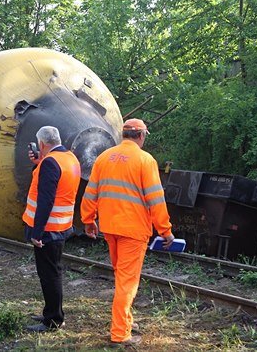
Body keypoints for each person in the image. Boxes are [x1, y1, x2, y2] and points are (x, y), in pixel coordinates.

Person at [80, 118, 174, 346]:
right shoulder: (145, 160)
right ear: (141, 136)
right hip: (133, 231)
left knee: (122, 279)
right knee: (126, 282)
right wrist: (165, 230)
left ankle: (125, 321)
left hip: (110, 228)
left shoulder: (104, 158)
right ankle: (120, 334)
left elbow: (90, 192)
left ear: (124, 135)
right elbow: (155, 198)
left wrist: (88, 220)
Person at [22, 126, 81, 332]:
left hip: (48, 229)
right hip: (61, 225)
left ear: (41, 144)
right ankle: (52, 313)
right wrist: (38, 164)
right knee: (52, 271)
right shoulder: (70, 158)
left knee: (49, 274)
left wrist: (37, 233)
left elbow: (46, 200)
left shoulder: (50, 163)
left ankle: (53, 320)